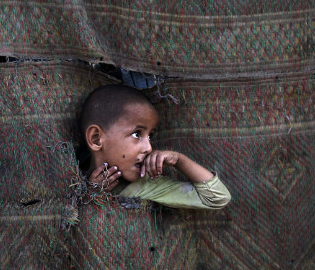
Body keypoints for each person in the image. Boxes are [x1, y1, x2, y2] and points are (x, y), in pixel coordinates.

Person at [78, 84, 231, 209]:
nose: (149, 148)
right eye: (137, 134)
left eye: (150, 136)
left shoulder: (145, 186)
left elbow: (217, 198)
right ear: (96, 139)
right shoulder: (69, 181)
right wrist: (92, 195)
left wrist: (178, 160)